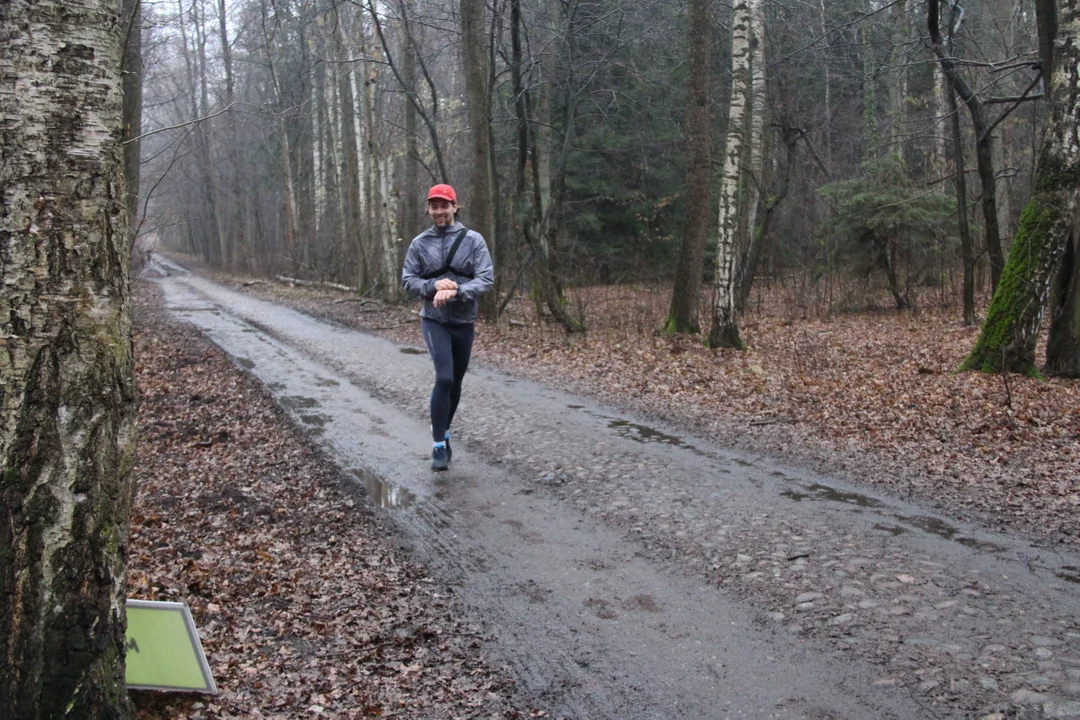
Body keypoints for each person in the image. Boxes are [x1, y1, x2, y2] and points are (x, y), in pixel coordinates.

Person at [401, 184, 494, 470]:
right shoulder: (419, 243)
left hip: (464, 321)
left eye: (444, 205)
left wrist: (457, 291)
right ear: (428, 209)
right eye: (434, 206)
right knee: (444, 378)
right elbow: (408, 280)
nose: (439, 211)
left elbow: (486, 279)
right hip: (434, 319)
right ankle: (438, 445)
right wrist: (431, 285)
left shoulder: (474, 240)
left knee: (455, 382)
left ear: (455, 207)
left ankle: (444, 429)